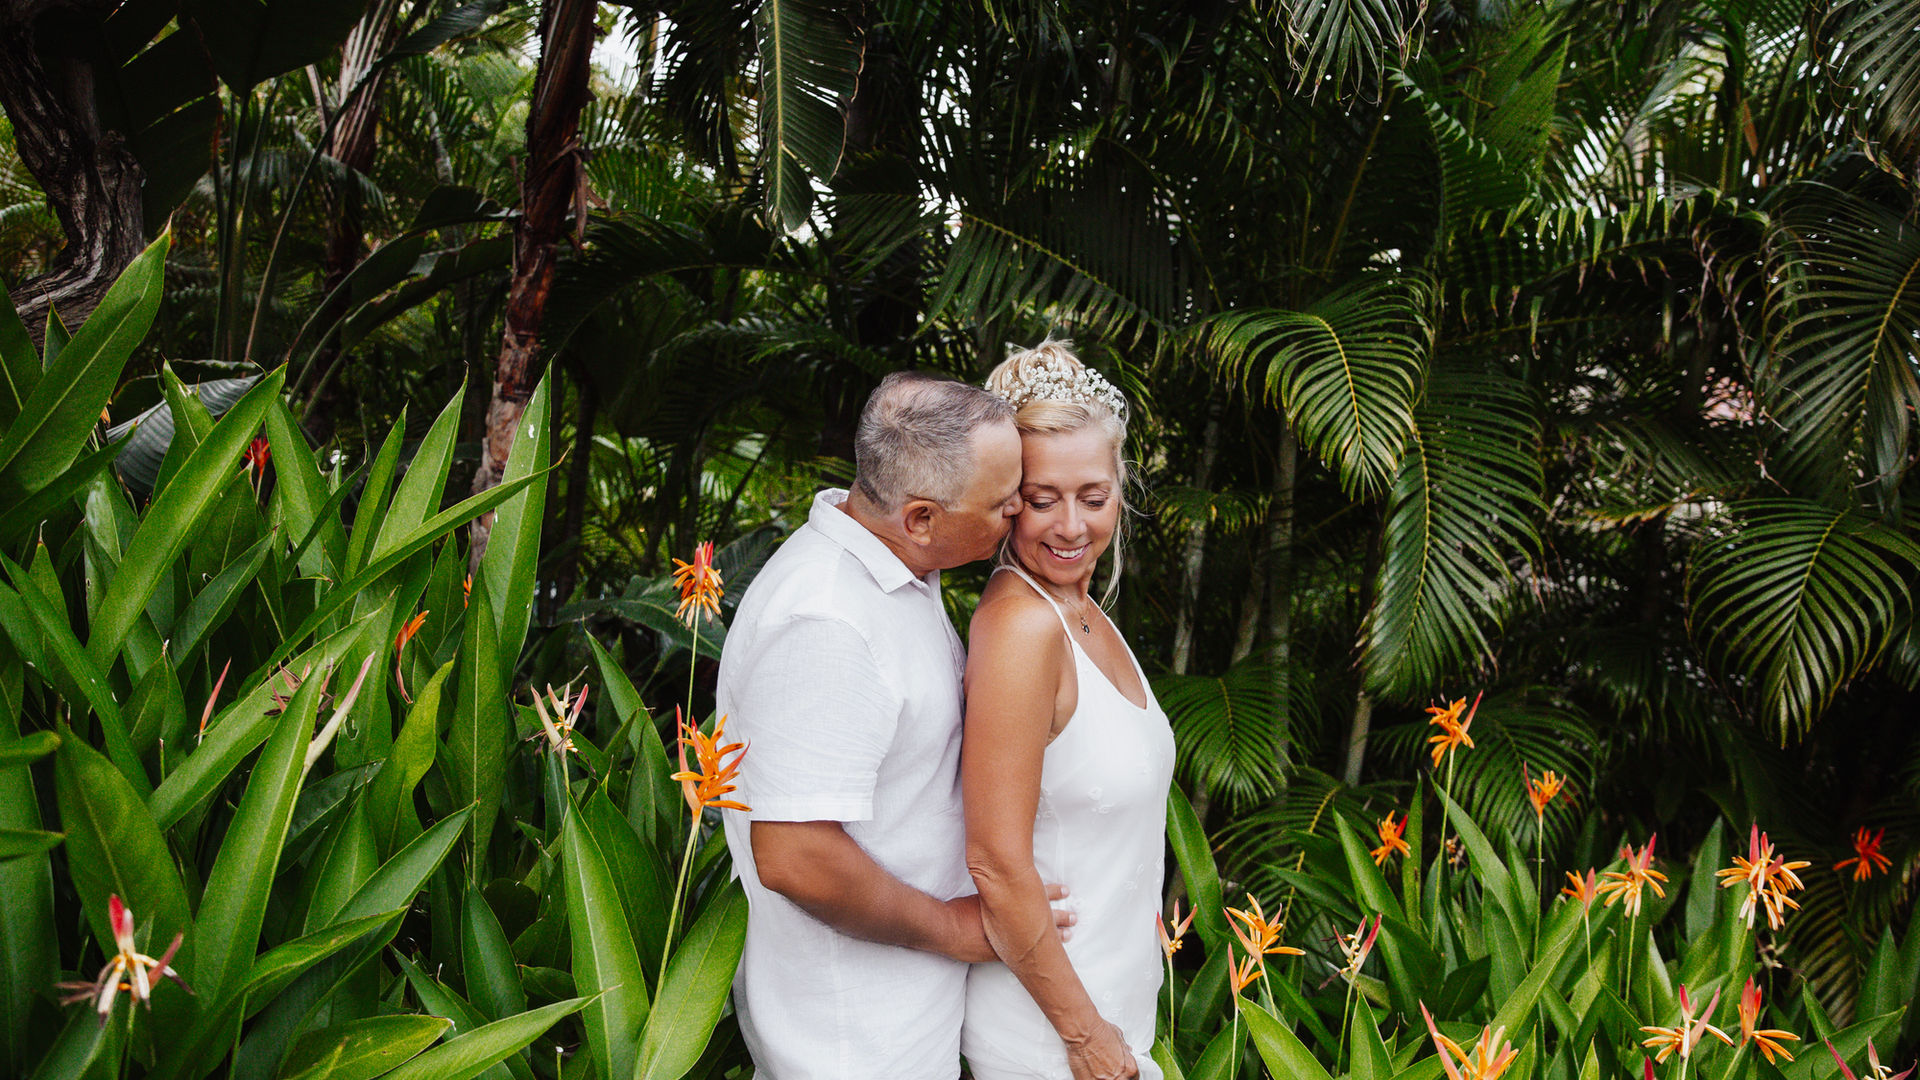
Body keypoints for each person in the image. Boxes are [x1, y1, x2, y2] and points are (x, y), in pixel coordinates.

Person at [717, 370, 1075, 1080]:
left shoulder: (895, 562)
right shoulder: (826, 620)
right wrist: (952, 927)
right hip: (850, 1043)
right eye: (1004, 504)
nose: (1019, 516)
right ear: (920, 518)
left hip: (905, 1026)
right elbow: (793, 854)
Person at [961, 342, 1175, 1080]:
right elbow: (994, 860)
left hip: (1110, 1019)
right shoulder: (1022, 626)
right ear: (1006, 498)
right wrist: (1086, 1039)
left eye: (1094, 496)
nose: (1071, 527)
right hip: (1050, 1039)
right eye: (1042, 499)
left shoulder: (1083, 609)